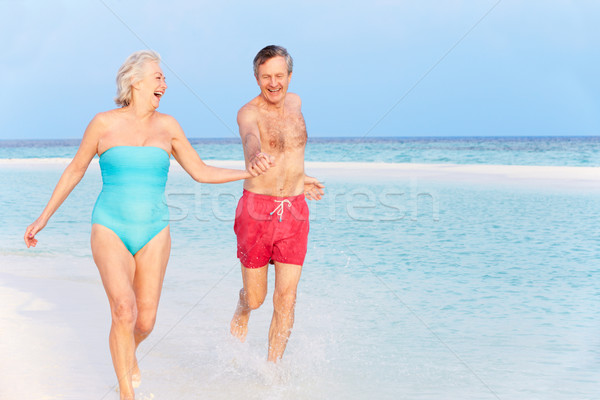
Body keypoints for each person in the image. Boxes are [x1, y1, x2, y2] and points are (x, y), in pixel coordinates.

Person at [24, 50, 271, 400]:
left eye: (164, 79)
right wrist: (43, 218)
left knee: (145, 321)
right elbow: (75, 170)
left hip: (155, 230)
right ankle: (127, 393)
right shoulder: (103, 124)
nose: (165, 84)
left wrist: (247, 172)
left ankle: (127, 355)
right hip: (109, 225)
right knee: (124, 309)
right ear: (135, 81)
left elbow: (200, 171)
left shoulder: (168, 127)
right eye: (158, 77)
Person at [230, 45, 324, 362]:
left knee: (287, 298)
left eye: (279, 76)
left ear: (290, 76)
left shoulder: (296, 103)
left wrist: (301, 178)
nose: (273, 83)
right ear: (257, 78)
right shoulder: (248, 112)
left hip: (295, 210)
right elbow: (251, 139)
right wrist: (255, 155)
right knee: (257, 299)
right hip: (256, 210)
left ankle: (272, 372)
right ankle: (243, 306)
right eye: (266, 76)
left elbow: (289, 150)